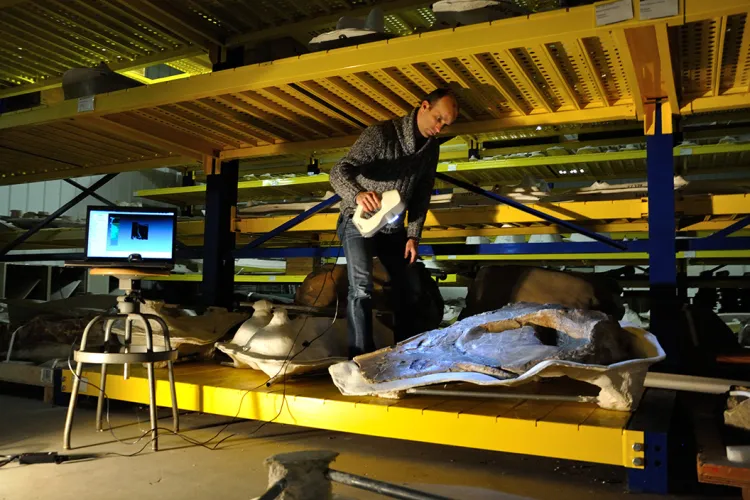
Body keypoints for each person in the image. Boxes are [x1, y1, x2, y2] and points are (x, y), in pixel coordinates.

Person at [329, 88, 460, 357]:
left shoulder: (430, 150)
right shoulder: (381, 135)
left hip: (392, 227)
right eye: (438, 119)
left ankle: (405, 351)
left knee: (411, 287)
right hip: (358, 221)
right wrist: (357, 194)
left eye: (445, 124)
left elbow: (422, 193)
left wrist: (414, 236)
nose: (439, 128)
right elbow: (338, 171)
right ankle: (360, 356)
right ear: (424, 106)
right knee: (361, 288)